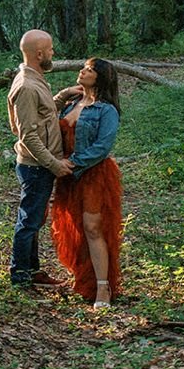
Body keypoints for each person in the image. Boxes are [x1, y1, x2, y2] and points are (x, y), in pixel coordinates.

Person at [51, 58, 124, 308]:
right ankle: (83, 279)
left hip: (93, 174)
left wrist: (73, 163)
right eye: (84, 67)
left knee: (93, 228)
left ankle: (103, 287)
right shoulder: (70, 104)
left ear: (100, 78)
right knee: (74, 227)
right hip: (67, 175)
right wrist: (62, 94)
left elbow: (103, 147)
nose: (82, 71)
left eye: (90, 69)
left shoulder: (106, 110)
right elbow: (44, 117)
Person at [6, 29, 73, 289]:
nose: (54, 53)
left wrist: (63, 95)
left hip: (40, 166)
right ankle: (20, 275)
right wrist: (54, 165)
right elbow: (28, 136)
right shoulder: (25, 86)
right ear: (39, 53)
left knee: (35, 219)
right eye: (51, 49)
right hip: (35, 167)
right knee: (29, 221)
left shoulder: (36, 79)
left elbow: (44, 115)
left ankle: (31, 271)